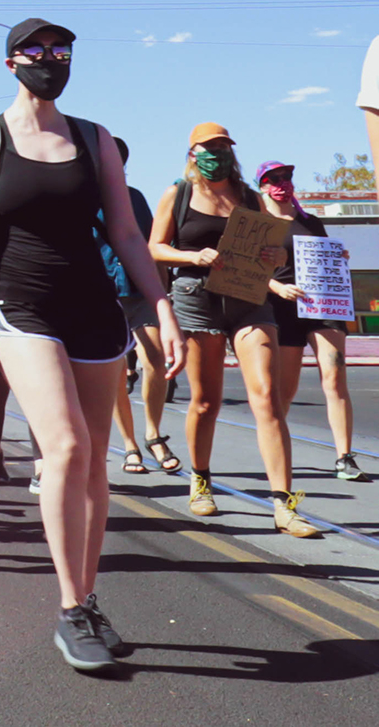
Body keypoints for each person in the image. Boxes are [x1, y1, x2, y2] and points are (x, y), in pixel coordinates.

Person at [0, 18, 184, 673]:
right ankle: (67, 605)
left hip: (91, 305)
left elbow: (126, 234)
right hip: (19, 303)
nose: (49, 59)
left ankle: (85, 599)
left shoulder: (92, 137)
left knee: (92, 463)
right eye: (36, 50)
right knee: (66, 445)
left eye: (60, 51)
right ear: (9, 63)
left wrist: (162, 306)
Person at [149, 124, 319, 537]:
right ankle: (201, 480)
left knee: (267, 396)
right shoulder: (179, 193)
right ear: (192, 153)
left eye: (224, 147)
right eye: (209, 148)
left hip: (248, 296)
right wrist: (194, 255)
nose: (217, 154)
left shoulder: (248, 196)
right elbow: (154, 246)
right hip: (197, 296)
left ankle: (284, 505)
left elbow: (273, 248)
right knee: (206, 401)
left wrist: (276, 254)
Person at [259, 160, 366, 482]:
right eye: (274, 178)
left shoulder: (311, 221)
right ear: (262, 184)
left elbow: (326, 256)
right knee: (286, 388)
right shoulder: (258, 222)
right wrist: (277, 286)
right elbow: (245, 268)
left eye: (287, 176)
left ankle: (344, 456)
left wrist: (339, 258)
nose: (282, 182)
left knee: (334, 379)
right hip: (282, 309)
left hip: (322, 306)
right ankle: (278, 451)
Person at [103, 138, 179, 480]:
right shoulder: (83, 197)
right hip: (103, 295)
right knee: (116, 372)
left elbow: (153, 245)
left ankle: (152, 433)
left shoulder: (134, 197)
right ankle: (130, 444)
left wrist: (164, 295)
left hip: (140, 291)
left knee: (156, 361)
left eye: (119, 160)